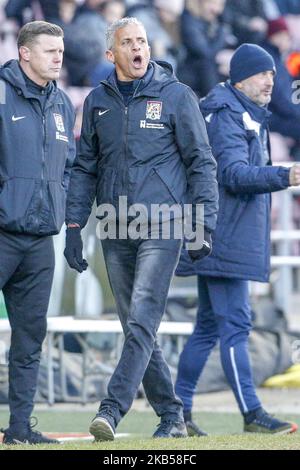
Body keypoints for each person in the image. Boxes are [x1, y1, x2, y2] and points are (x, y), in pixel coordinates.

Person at [64, 17, 218, 441]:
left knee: (142, 320)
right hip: (114, 228)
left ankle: (111, 410)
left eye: (143, 42)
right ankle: (172, 417)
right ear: (110, 53)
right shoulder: (97, 101)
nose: (139, 48)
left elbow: (202, 162)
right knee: (137, 327)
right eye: (128, 42)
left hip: (164, 225)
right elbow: (85, 168)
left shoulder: (176, 96)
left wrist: (203, 222)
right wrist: (74, 224)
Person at [175, 43, 300, 436]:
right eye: (263, 74)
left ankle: (178, 411)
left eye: (274, 75)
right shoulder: (227, 112)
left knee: (208, 328)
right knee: (236, 325)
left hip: (222, 233)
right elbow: (232, 175)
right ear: (241, 77)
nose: (270, 82)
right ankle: (252, 413)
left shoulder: (242, 112)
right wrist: (285, 175)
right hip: (222, 235)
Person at [0, 21, 76, 444]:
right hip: (2, 233)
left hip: (40, 241)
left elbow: (68, 168)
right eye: (50, 51)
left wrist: (63, 210)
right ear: (24, 53)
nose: (58, 57)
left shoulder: (63, 103)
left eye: (61, 51)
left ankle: (20, 429)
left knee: (30, 339)